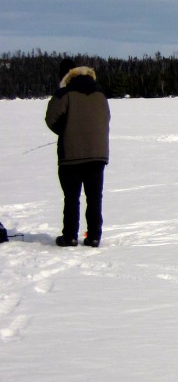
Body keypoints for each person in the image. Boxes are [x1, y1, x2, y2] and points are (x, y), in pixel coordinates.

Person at [45, 59, 110, 247]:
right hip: (98, 154)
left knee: (72, 198)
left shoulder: (64, 94)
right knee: (94, 197)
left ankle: (70, 236)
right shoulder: (100, 95)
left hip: (71, 154)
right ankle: (94, 236)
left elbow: (51, 119)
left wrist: (65, 130)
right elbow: (105, 119)